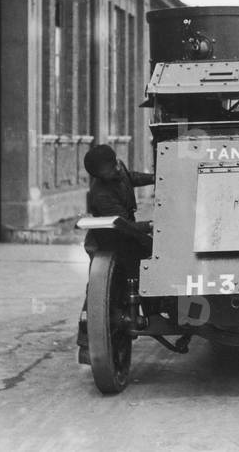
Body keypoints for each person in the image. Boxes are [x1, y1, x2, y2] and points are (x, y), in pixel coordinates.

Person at [77, 144, 155, 364]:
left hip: (123, 232)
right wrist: (150, 225)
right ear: (99, 176)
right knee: (101, 289)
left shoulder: (118, 167)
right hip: (108, 240)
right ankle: (88, 345)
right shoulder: (101, 194)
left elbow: (131, 177)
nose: (114, 172)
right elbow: (125, 226)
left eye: (112, 168)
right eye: (106, 173)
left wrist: (156, 178)